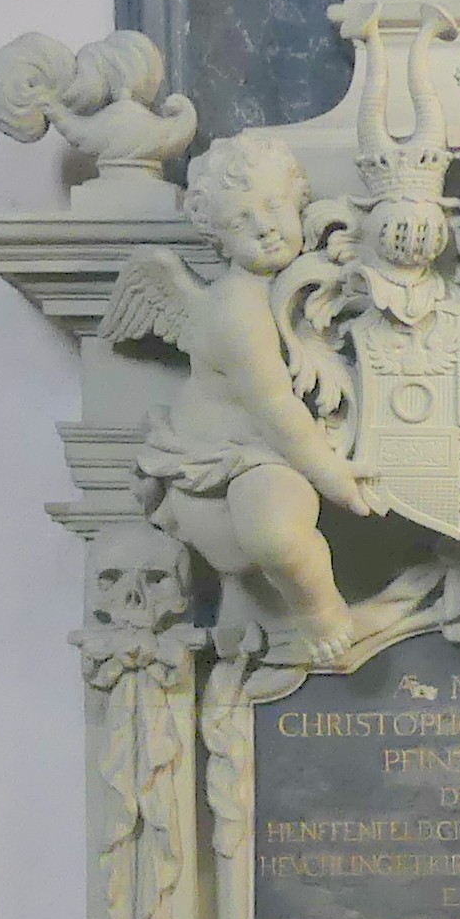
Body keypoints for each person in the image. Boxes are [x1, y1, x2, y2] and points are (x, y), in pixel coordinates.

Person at [101, 138, 385, 662]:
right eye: (240, 220)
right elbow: (275, 410)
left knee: (274, 530)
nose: (264, 227)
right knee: (275, 536)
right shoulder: (238, 310)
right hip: (227, 461)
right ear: (219, 238)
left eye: (274, 205)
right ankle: (320, 609)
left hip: (261, 452)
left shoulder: (293, 284)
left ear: (298, 200)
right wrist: (336, 478)